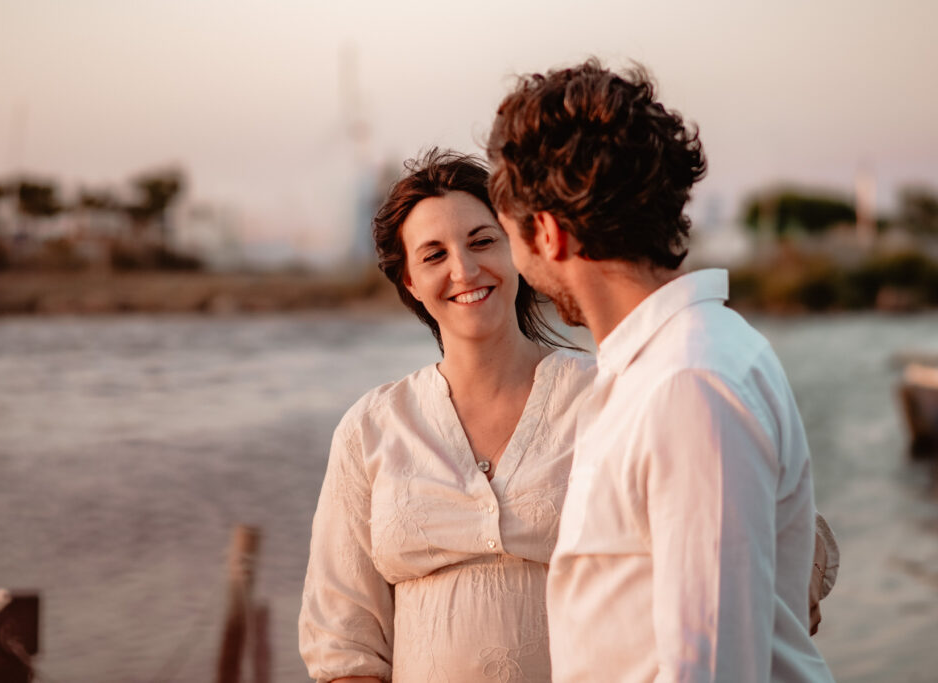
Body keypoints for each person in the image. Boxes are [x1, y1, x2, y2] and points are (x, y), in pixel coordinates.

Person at [486, 59, 835, 681]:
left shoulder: (689, 384)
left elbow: (714, 667)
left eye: (506, 234)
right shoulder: (657, 369)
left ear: (547, 233)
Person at [298, 149, 596, 683]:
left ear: (520, 251)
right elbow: (345, 641)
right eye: (434, 255)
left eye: (483, 241)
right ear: (409, 282)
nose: (465, 269)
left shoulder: (604, 398)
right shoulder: (371, 429)